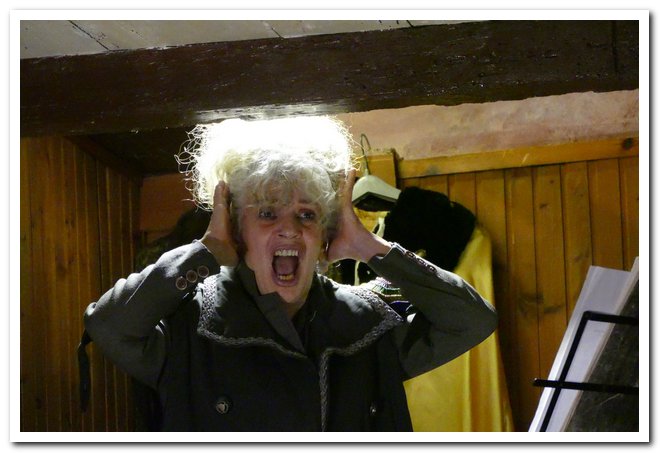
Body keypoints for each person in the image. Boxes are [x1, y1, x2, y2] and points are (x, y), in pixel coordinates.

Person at [83, 116, 497, 432]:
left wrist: (369, 247)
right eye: (267, 212)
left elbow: (472, 320)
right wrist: (204, 253)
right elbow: (108, 326)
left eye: (307, 214)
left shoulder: (369, 321)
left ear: (325, 232)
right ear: (238, 231)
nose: (290, 229)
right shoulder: (191, 324)